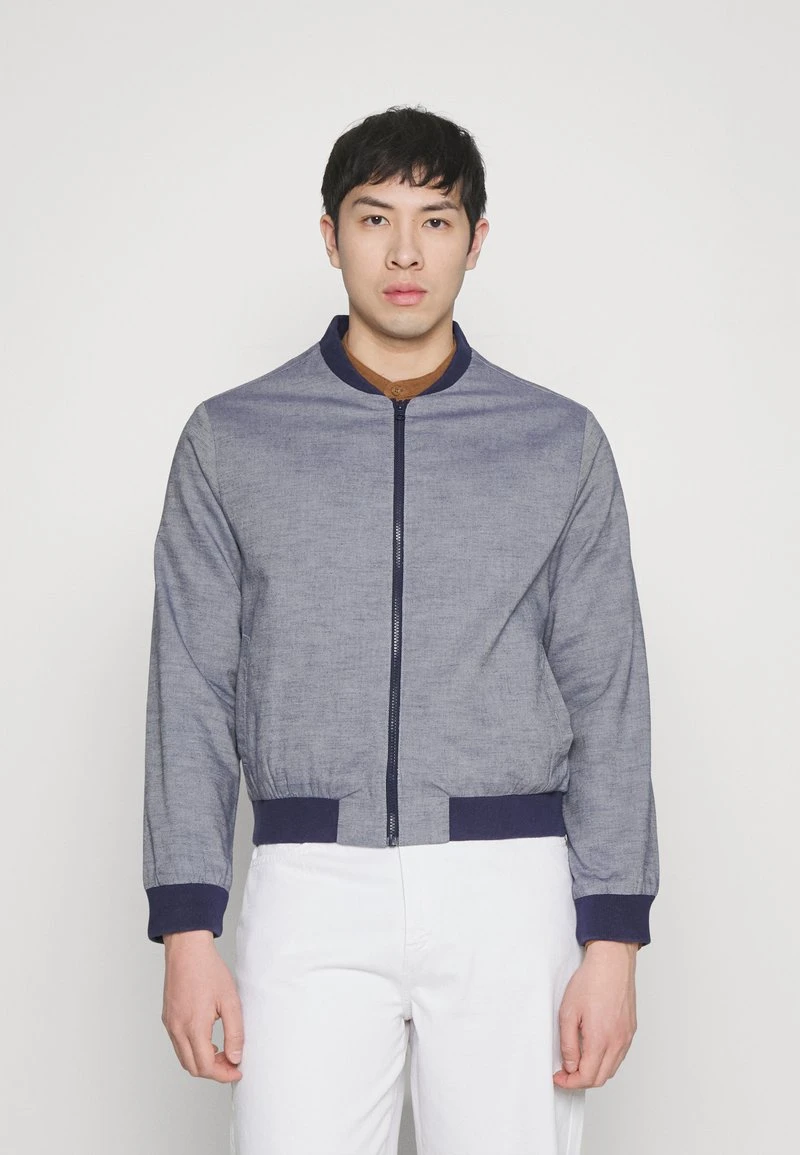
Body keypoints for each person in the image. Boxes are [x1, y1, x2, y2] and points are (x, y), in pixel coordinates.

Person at [143, 104, 659, 1155]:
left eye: (436, 219)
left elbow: (607, 692)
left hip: (510, 886)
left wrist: (612, 939)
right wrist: (186, 926)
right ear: (329, 236)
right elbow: (189, 688)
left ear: (477, 239)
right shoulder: (231, 439)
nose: (406, 252)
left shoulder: (556, 442)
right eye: (375, 218)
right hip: (309, 883)